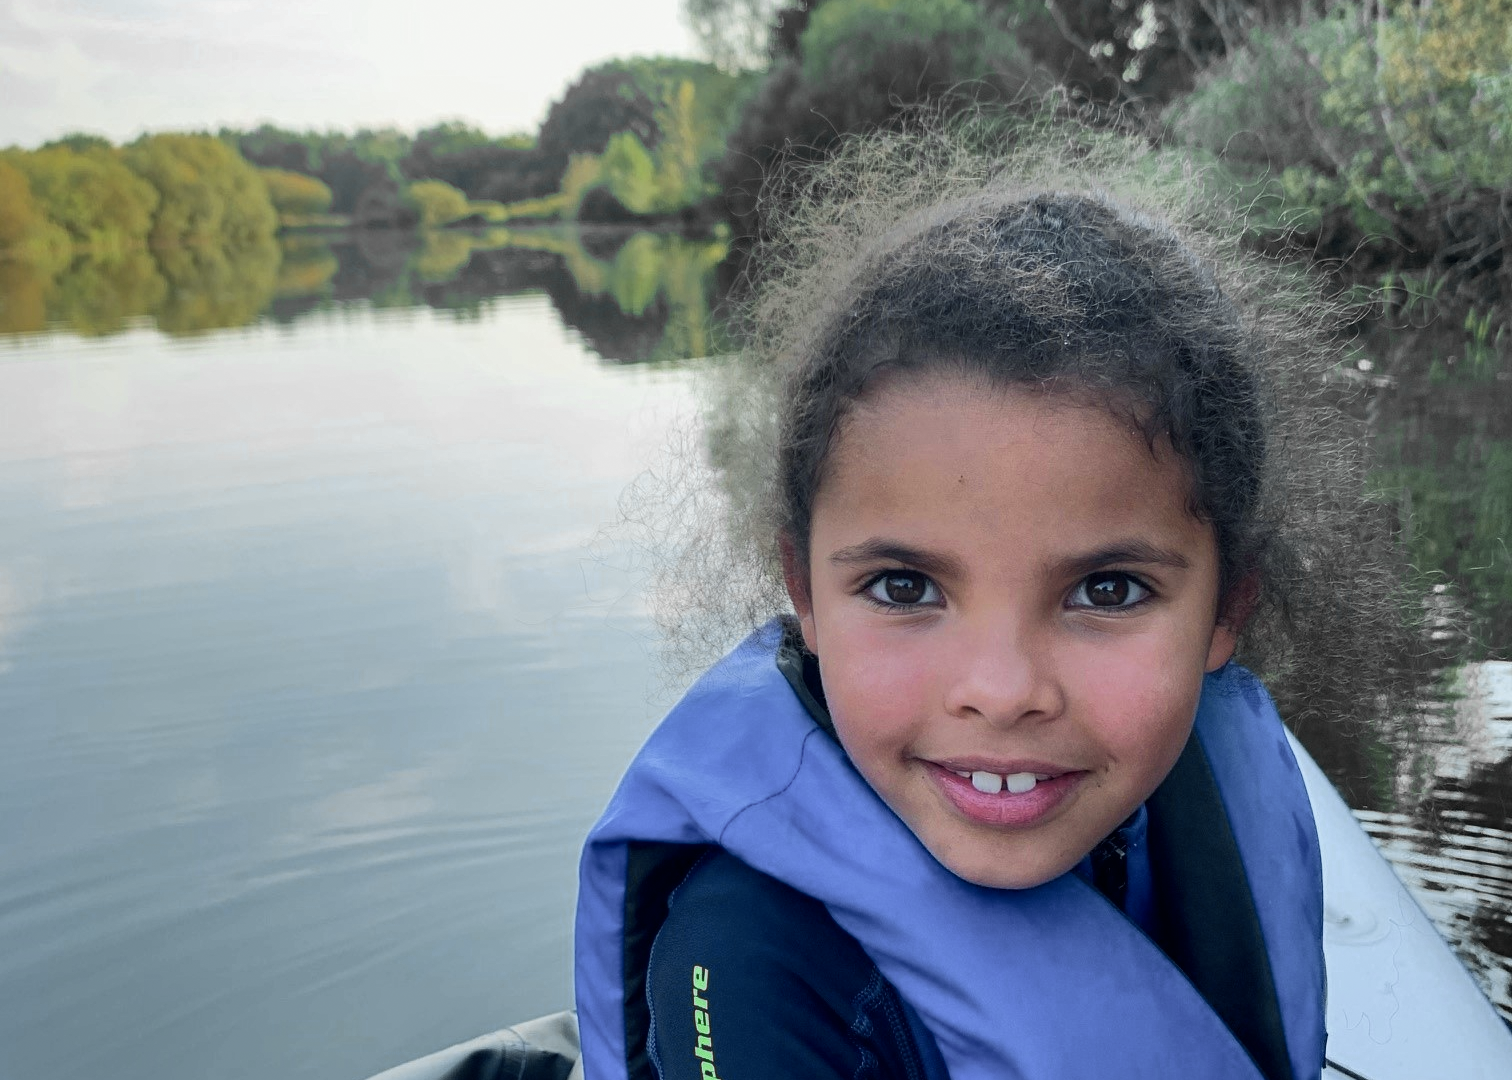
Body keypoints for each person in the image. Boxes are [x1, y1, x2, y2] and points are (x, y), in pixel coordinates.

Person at [574, 129, 1418, 1080]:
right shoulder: (750, 962)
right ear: (803, 594)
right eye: (905, 587)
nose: (1003, 690)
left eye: (1107, 591)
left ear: (1228, 609)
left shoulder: (1180, 795)